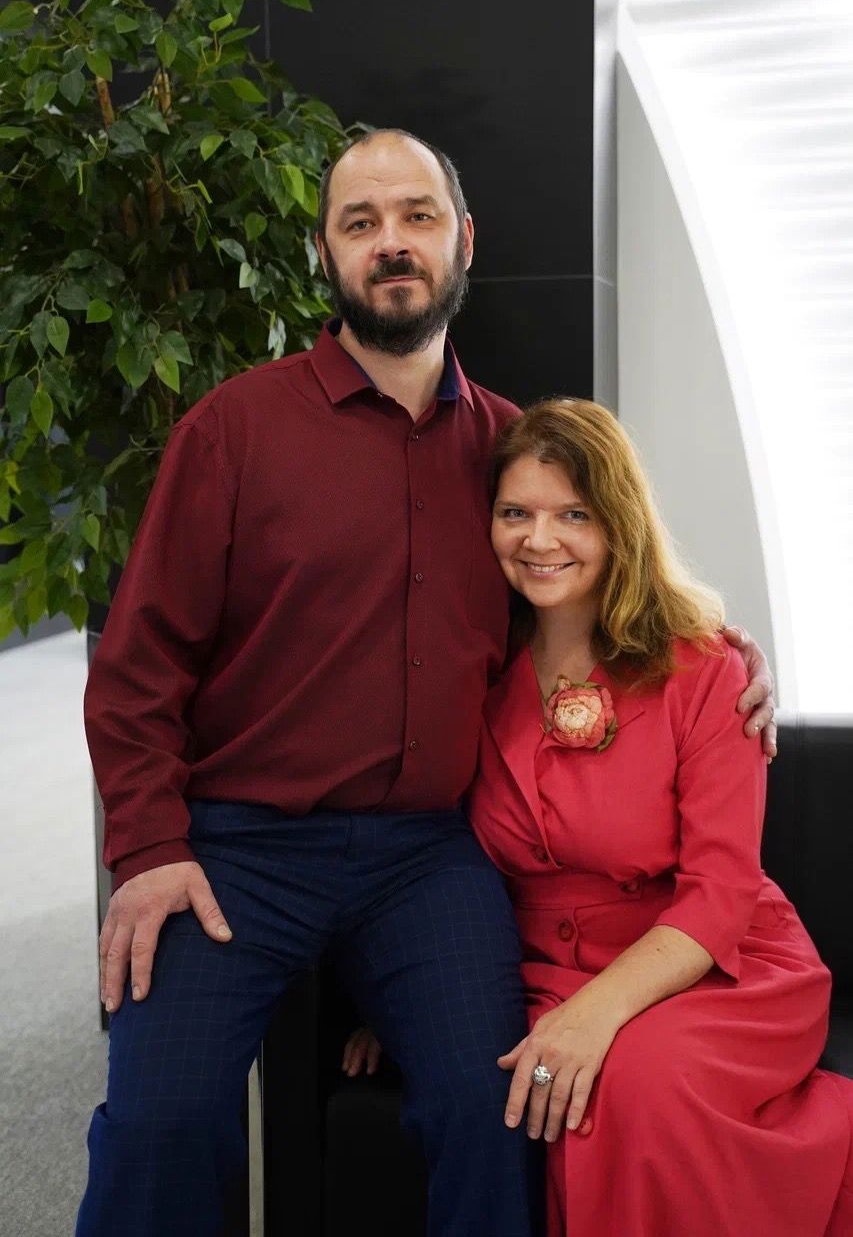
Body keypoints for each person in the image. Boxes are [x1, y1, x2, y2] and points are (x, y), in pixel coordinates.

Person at [76, 130, 775, 1237]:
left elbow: (590, 590)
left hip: (429, 859)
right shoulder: (233, 431)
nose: (390, 242)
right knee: (161, 1122)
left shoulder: (506, 454)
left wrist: (724, 648)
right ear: (326, 254)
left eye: (416, 216)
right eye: (360, 223)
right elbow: (136, 664)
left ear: (463, 241)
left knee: (491, 1106)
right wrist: (150, 849)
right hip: (238, 850)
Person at [469, 399, 852, 1235]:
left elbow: (721, 893)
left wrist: (594, 1013)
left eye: (574, 514)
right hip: (540, 972)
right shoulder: (472, 667)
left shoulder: (707, 671)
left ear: (620, 523)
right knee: (520, 1078)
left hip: (714, 964)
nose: (539, 539)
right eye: (515, 513)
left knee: (635, 1081)